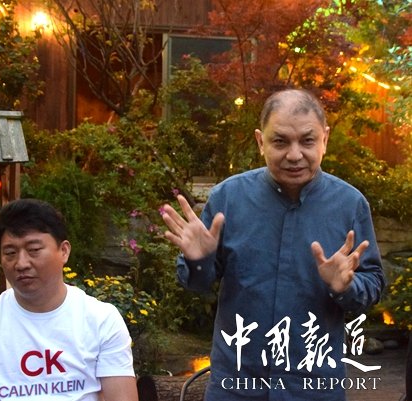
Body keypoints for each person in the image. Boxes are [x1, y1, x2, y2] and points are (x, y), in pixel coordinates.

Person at [162, 88, 385, 400]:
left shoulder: (350, 205)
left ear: (324, 139)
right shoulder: (228, 199)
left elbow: (373, 283)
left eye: (307, 141)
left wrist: (345, 286)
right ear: (260, 142)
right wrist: (199, 261)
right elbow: (196, 284)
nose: (294, 155)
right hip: (237, 385)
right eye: (280, 141)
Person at [0, 198, 138, 401]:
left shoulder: (101, 319)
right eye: (10, 253)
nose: (21, 263)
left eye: (34, 250)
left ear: (64, 251)